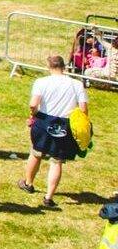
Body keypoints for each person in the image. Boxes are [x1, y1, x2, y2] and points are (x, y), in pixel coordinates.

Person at [21, 53, 89, 208]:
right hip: (65, 124)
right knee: (57, 161)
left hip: (44, 120)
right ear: (64, 67)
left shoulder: (41, 82)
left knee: (36, 153)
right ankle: (48, 197)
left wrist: (34, 115)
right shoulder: (76, 84)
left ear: (49, 67)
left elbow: (33, 104)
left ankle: (28, 183)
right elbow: (84, 109)